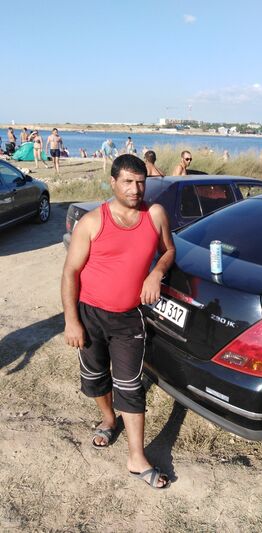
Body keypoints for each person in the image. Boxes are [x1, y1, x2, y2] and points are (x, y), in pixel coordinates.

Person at [61, 154, 175, 489]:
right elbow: (70, 272)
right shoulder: (92, 222)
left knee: (130, 385)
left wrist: (156, 273)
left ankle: (136, 457)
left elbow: (169, 250)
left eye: (140, 182)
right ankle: (109, 420)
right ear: (113, 182)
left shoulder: (155, 214)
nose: (135, 189)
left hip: (128, 318)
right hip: (90, 315)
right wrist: (72, 321)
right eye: (127, 181)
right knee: (96, 376)